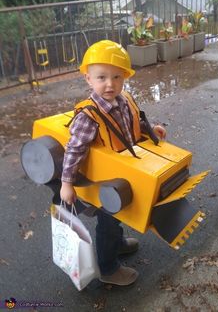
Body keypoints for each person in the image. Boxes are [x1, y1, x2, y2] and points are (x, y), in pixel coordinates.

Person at [60, 40, 166, 286]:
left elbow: (129, 129)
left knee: (119, 216)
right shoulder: (88, 117)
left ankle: (117, 245)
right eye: (101, 77)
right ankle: (108, 268)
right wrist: (67, 183)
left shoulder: (123, 99)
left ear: (125, 77)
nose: (110, 84)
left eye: (117, 76)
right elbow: (74, 151)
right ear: (88, 79)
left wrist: (150, 130)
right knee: (108, 222)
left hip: (123, 175)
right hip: (104, 182)